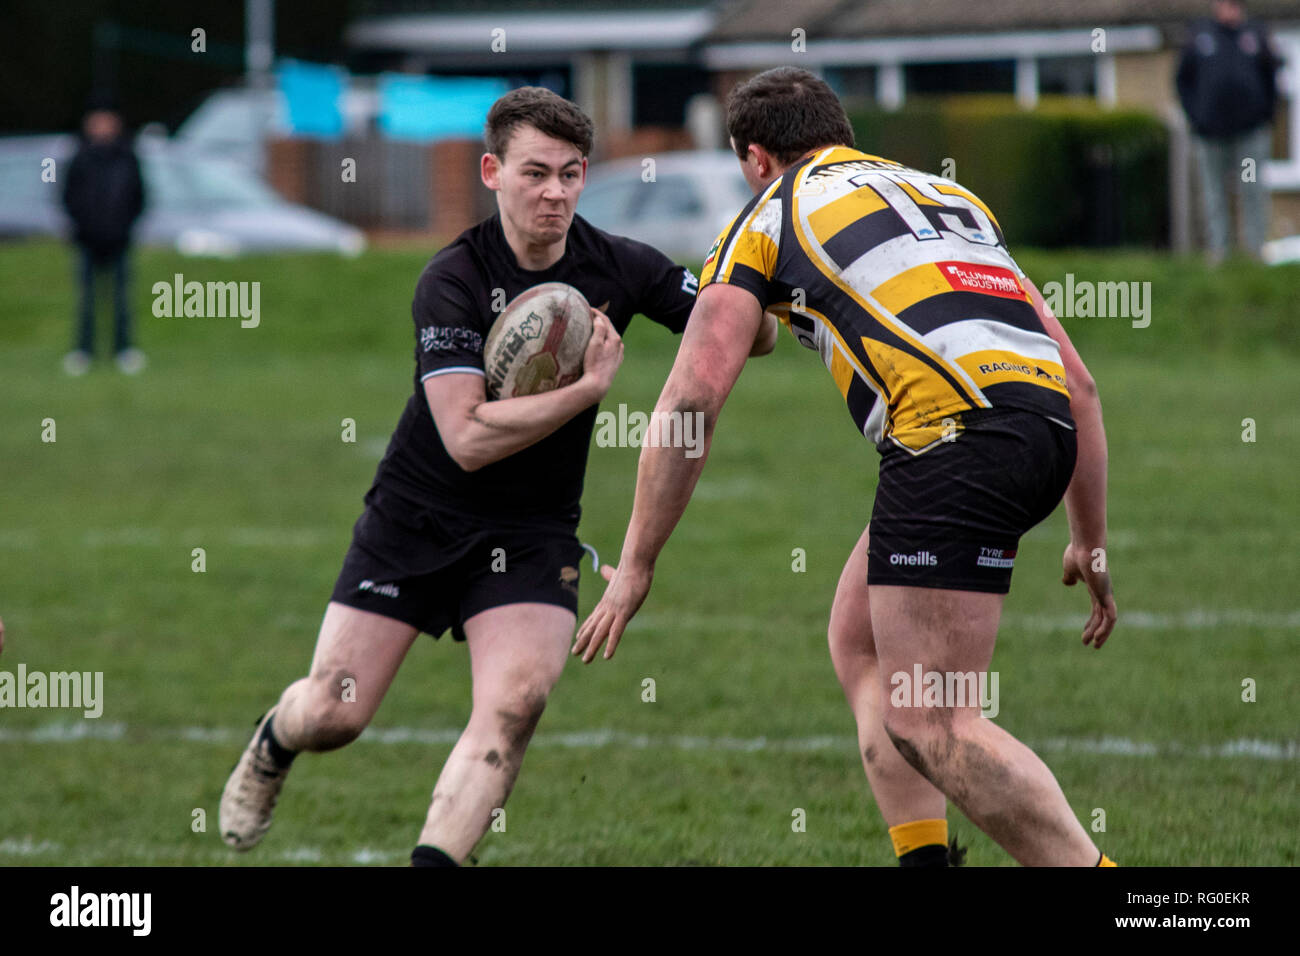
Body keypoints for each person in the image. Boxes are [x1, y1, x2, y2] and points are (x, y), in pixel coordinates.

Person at [575, 67, 1119, 867]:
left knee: (933, 719)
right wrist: (1088, 538)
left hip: (952, 442)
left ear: (755, 159)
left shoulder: (766, 216)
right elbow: (1078, 380)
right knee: (859, 640)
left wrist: (635, 565)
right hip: (1037, 429)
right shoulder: (952, 201)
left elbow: (691, 401)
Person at [219, 87, 733, 866]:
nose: (554, 192)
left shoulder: (619, 266)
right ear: (491, 171)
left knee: (516, 704)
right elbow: (464, 436)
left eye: (569, 174)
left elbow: (736, 329)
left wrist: (755, 288)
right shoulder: (452, 278)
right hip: (417, 515)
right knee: (334, 714)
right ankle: (273, 739)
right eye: (534, 173)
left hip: (532, 531)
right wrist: (588, 391)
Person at [1176, 0, 1280, 262]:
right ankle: (1218, 253)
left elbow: (1272, 77)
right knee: (1213, 192)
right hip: (1210, 133)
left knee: (1251, 188)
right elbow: (1182, 81)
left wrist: (1266, 116)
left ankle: (1256, 252)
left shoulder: (1255, 34)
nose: (1229, 9)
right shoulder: (1200, 36)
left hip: (1249, 132)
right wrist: (1196, 118)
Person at [61, 95, 147, 375]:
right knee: (86, 299)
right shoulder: (79, 157)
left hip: (120, 239)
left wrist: (124, 225)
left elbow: (139, 197)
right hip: (87, 239)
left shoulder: (128, 157)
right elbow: (68, 196)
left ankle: (123, 349)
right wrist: (82, 225)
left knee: (122, 299)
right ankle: (83, 350)